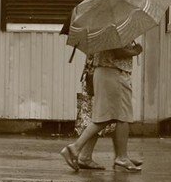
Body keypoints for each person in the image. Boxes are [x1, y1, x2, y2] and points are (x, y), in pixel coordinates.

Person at [61, 41, 144, 172]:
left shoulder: (107, 26)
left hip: (106, 72)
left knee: (110, 116)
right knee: (119, 116)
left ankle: (121, 156)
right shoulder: (113, 25)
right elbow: (117, 50)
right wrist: (136, 51)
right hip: (113, 72)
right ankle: (75, 148)